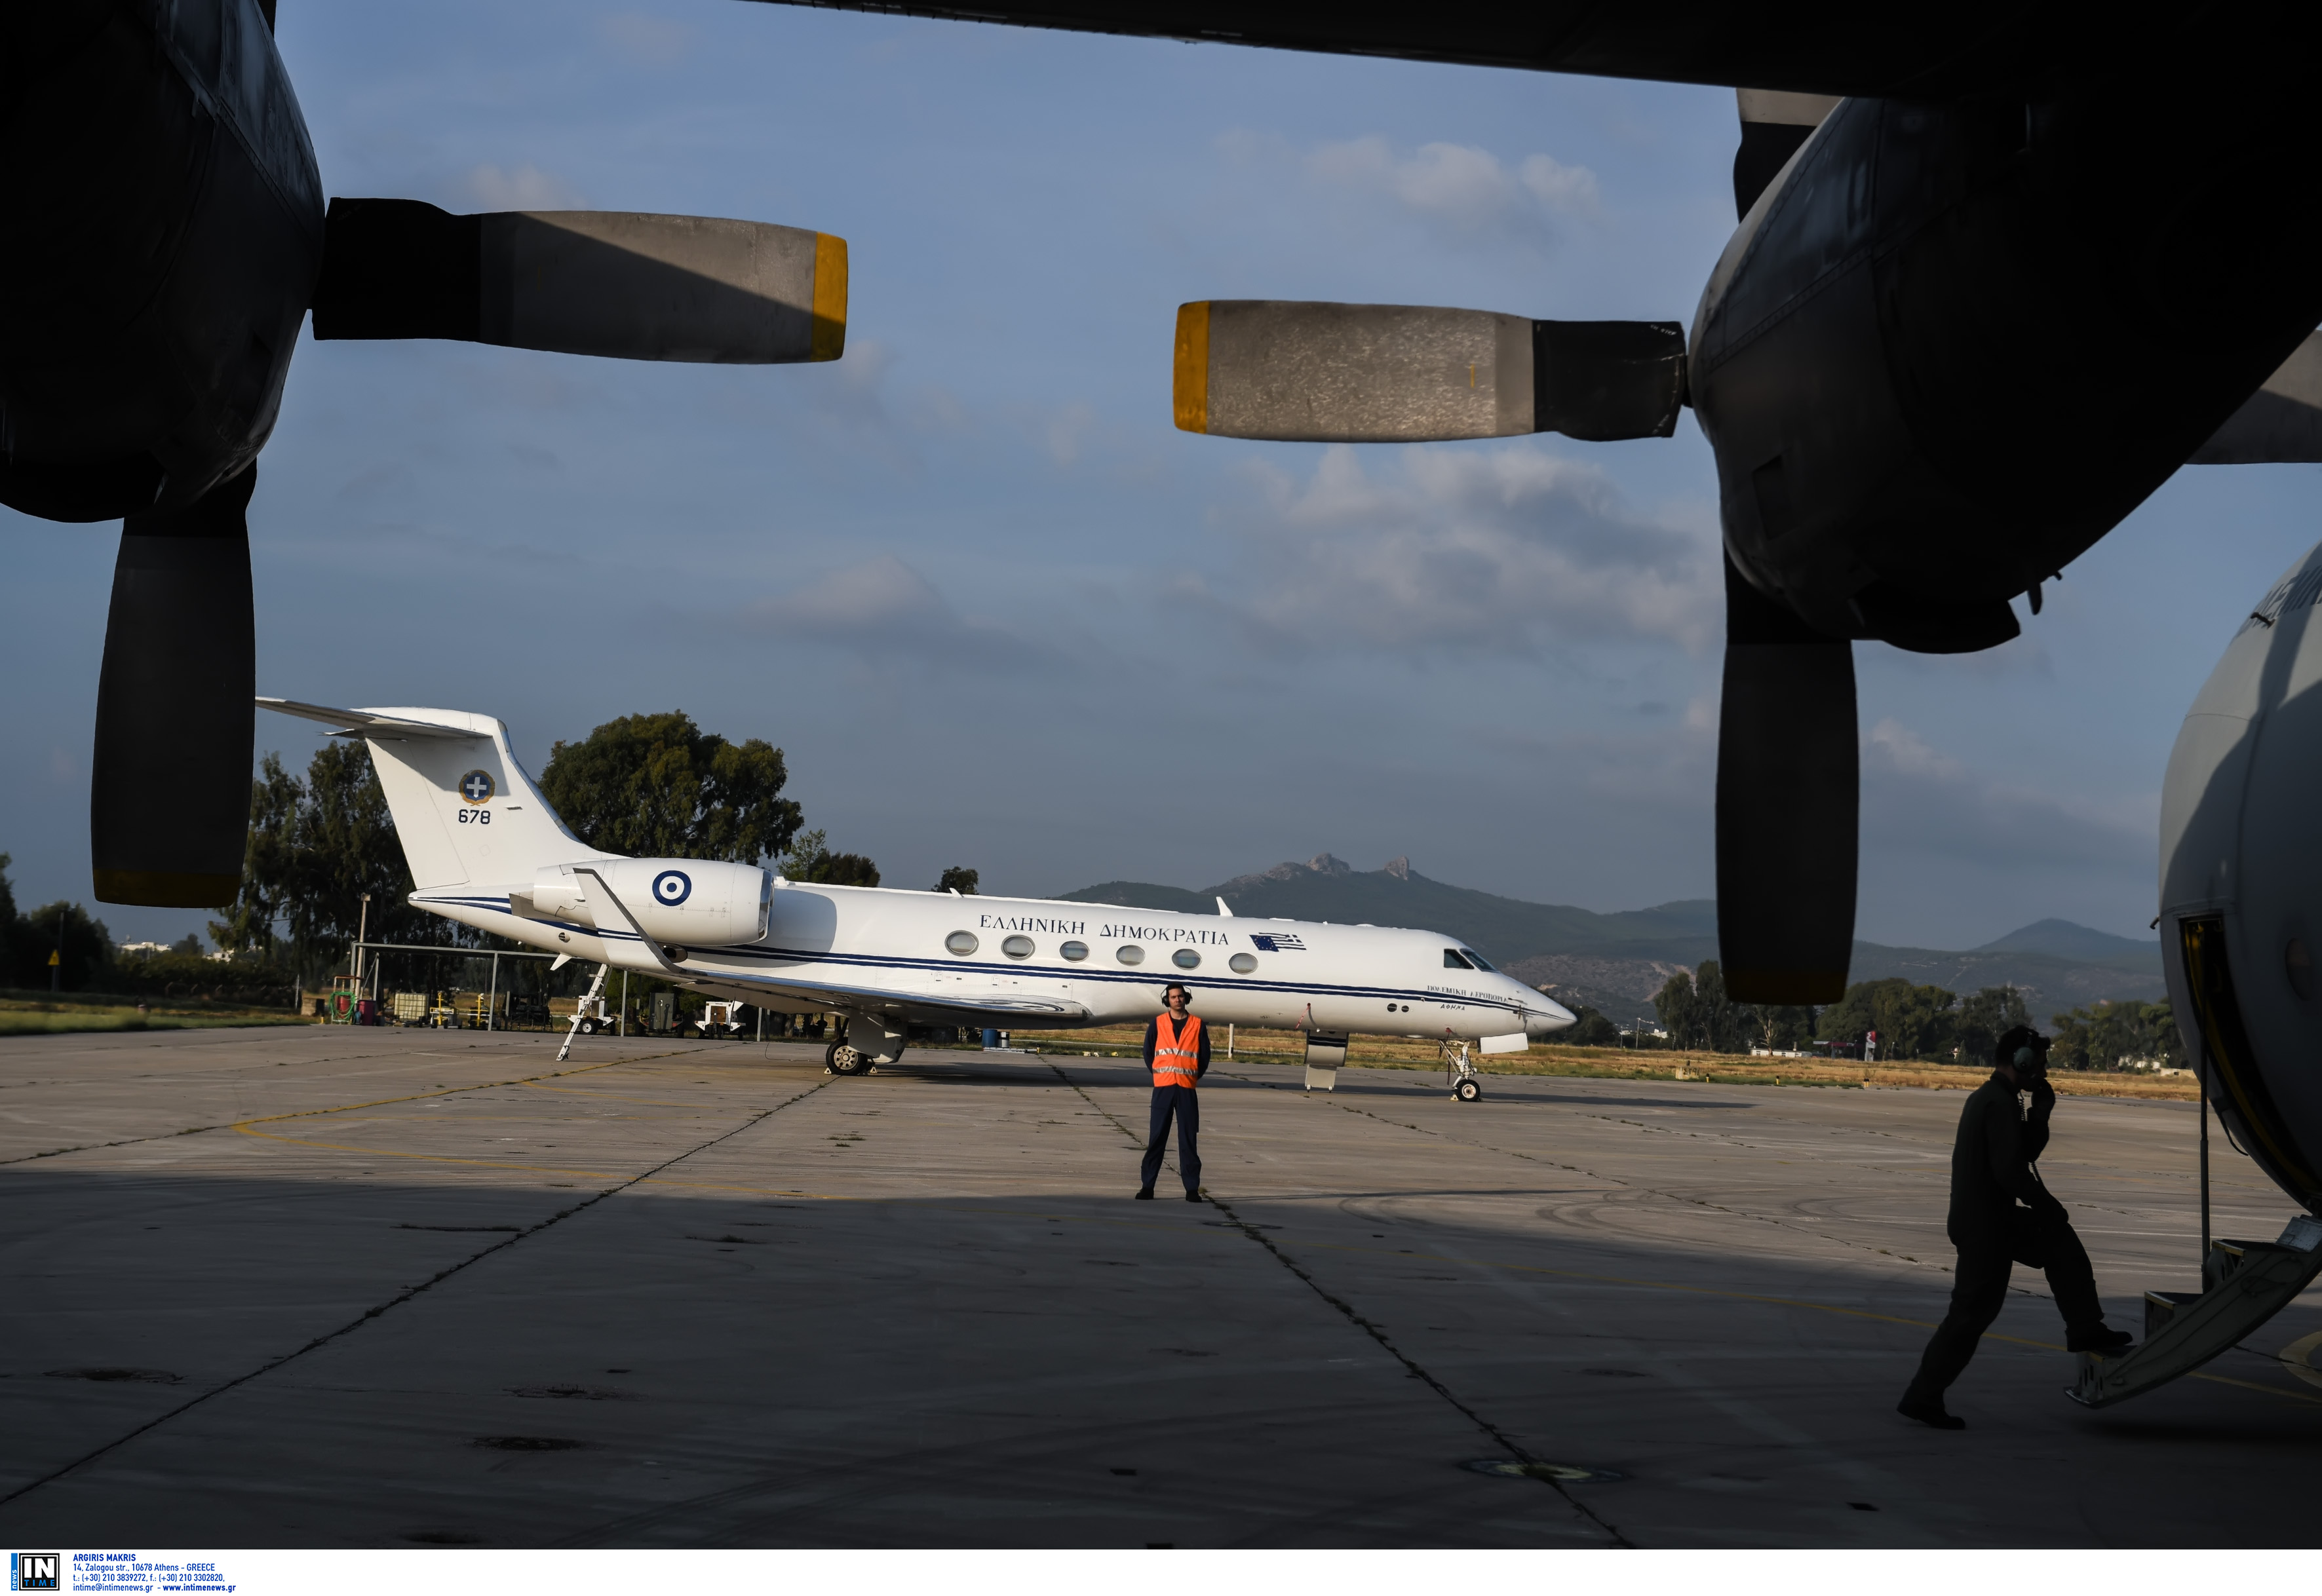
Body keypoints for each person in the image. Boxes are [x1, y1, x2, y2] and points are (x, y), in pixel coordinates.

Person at [1898, 1025, 2134, 1428]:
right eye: (2039, 1064)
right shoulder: (1997, 1103)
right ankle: (1923, 1397)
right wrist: (2046, 1203)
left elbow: (2021, 1152)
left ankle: (2085, 1328)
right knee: (1971, 1314)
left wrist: (2040, 1113)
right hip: (1986, 1226)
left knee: (2058, 1242)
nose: (2043, 1071)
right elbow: (2011, 1170)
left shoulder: (1998, 1099)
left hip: (1994, 1221)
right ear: (2021, 1061)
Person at [1136, 983, 1209, 1202]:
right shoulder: (1157, 1024)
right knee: (1157, 1138)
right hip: (1164, 1088)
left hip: (1186, 1088)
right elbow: (1149, 1052)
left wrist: (1192, 1076)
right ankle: (1147, 1186)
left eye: (1181, 996)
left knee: (1188, 1140)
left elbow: (1204, 1057)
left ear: (1186, 998)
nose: (1177, 1000)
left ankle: (1192, 1189)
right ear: (1167, 1000)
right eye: (1173, 997)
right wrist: (1158, 1074)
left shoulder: (1198, 1024)